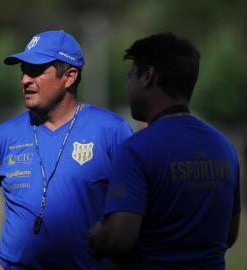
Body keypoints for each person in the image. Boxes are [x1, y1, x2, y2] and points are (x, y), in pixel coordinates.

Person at [0, 30, 133, 269]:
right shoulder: (2, 136)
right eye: (23, 70)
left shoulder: (112, 131)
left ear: (70, 76)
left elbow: (135, 214)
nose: (24, 80)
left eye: (36, 70)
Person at [89, 32, 241, 269]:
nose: (128, 86)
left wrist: (99, 236)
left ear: (148, 76)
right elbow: (229, 235)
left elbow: (120, 238)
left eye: (131, 77)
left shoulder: (136, 149)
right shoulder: (224, 148)